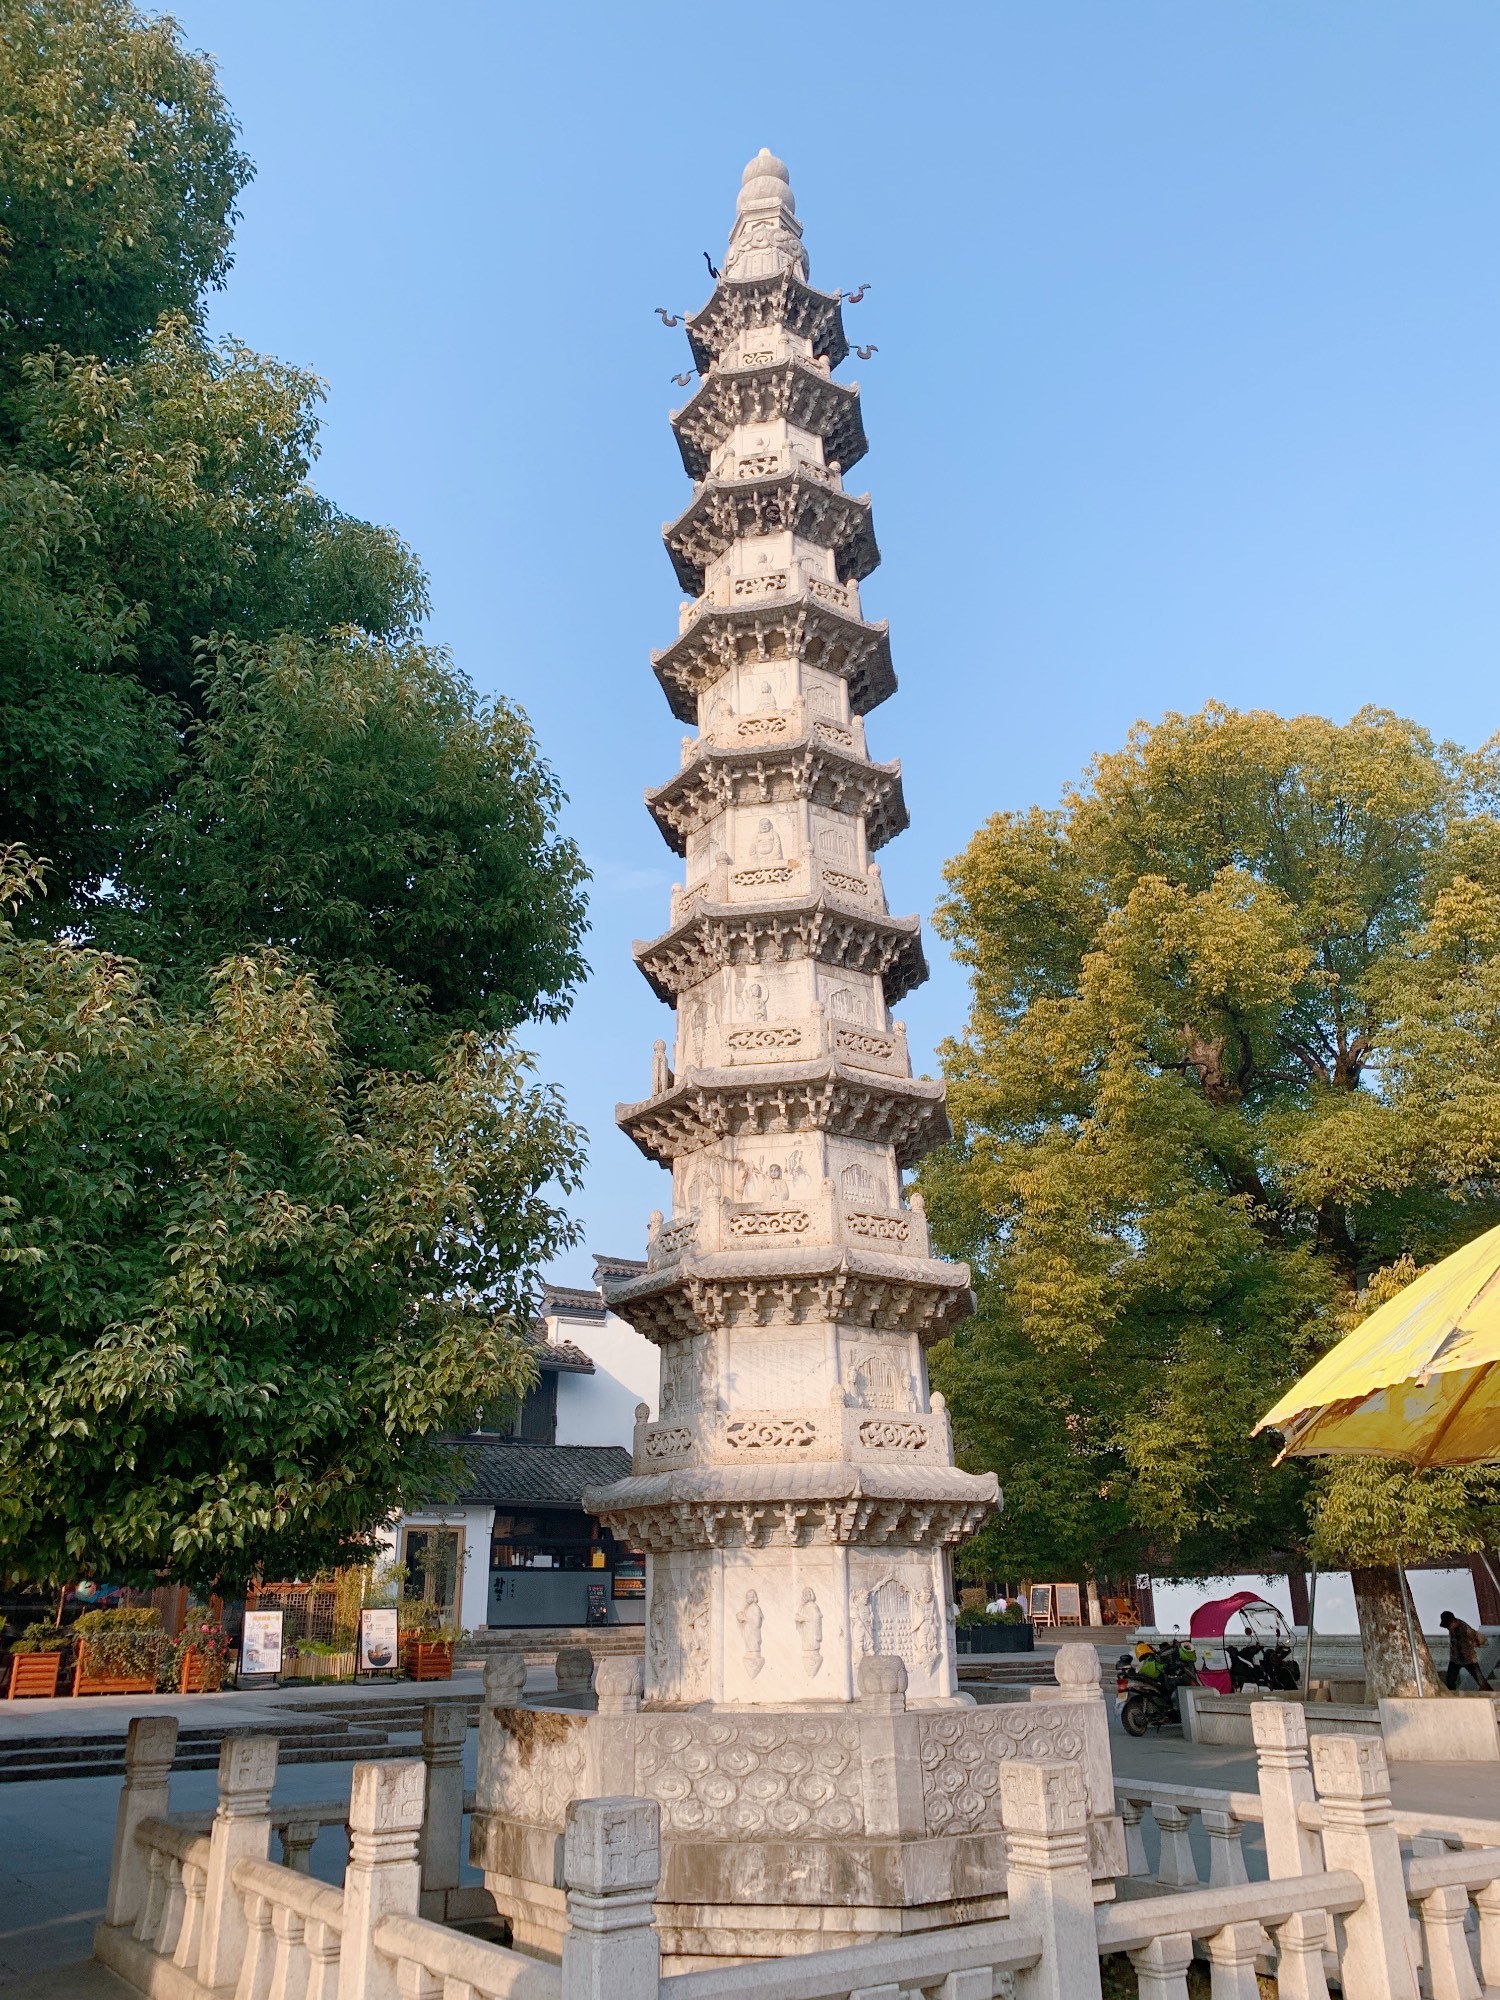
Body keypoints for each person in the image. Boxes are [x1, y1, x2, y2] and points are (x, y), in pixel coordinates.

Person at [1439, 1609, 1492, 1691]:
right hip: (1455, 1659)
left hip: (1469, 1660)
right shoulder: (1451, 1628)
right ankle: (1451, 1697)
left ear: (1453, 1621)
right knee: (1450, 1681)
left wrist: (1475, 1644)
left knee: (1481, 1681)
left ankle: (1491, 1695)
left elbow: (1480, 1639)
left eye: (1449, 1625)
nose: (1448, 1628)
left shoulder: (1466, 1629)